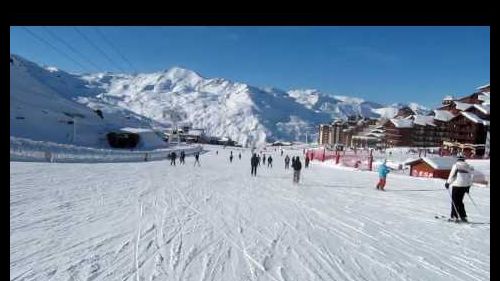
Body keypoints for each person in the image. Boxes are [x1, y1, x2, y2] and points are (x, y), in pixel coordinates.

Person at [445, 155, 474, 222]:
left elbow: (452, 175)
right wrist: (468, 187)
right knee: (460, 201)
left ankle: (454, 216)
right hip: (464, 187)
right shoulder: (468, 166)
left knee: (454, 201)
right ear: (464, 160)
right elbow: (470, 177)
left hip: (457, 186)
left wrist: (448, 183)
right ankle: (463, 216)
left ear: (458, 159)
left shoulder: (456, 165)